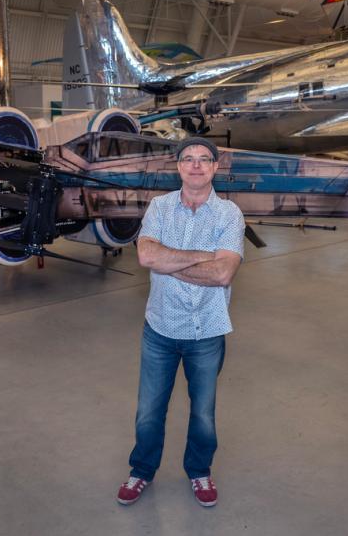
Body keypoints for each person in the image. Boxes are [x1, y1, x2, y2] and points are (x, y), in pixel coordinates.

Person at [117, 137, 245, 507]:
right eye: (188, 159)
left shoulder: (229, 215)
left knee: (203, 413)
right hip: (159, 328)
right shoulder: (159, 207)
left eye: (204, 159)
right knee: (149, 411)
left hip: (207, 330)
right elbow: (145, 255)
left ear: (215, 168)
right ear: (178, 167)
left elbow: (223, 273)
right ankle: (141, 470)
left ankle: (200, 471)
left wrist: (170, 263)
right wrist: (201, 257)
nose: (196, 165)